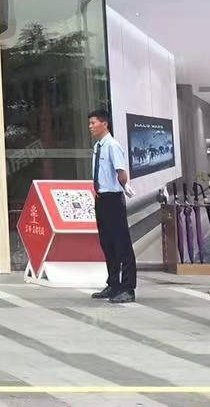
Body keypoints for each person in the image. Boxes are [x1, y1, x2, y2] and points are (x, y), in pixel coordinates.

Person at [89, 108, 136, 303]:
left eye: (93, 123)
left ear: (104, 124)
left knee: (121, 243)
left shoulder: (112, 145)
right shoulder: (98, 146)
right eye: (90, 123)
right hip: (101, 199)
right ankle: (113, 284)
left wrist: (124, 186)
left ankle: (128, 288)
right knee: (107, 243)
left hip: (113, 199)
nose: (90, 126)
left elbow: (121, 172)